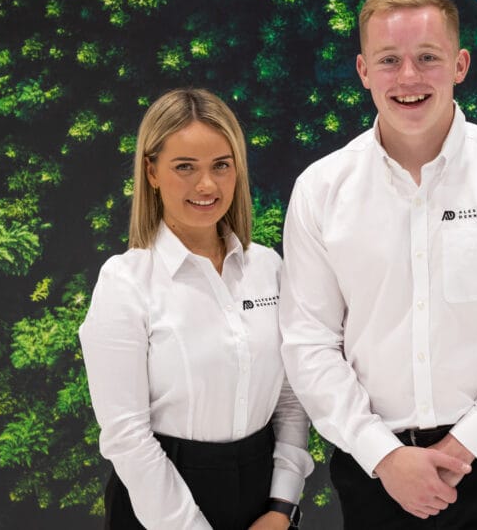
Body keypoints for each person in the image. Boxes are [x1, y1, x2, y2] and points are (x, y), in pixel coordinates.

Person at [278, 0, 477, 528]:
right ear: (363, 71)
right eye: (389, 60)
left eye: (428, 58)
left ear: (460, 64)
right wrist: (385, 456)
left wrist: (466, 445)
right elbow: (310, 344)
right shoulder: (321, 189)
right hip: (374, 473)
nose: (409, 77)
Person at [79, 88, 313, 530]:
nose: (206, 185)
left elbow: (290, 401)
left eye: (221, 166)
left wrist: (282, 506)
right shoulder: (126, 282)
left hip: (264, 505)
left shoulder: (269, 268)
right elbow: (127, 436)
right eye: (185, 167)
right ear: (151, 171)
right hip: (162, 509)